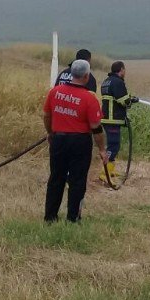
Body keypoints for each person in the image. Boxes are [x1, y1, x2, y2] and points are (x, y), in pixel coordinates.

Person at [42, 59, 108, 222]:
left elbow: (46, 116)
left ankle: (50, 217)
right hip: (80, 143)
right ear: (86, 76)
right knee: (77, 181)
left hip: (58, 140)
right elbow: (96, 128)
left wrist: (50, 133)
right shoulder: (89, 99)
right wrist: (102, 149)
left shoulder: (54, 92)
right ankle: (73, 218)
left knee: (56, 178)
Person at [100, 60, 134, 183]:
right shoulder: (118, 82)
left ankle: (111, 169)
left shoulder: (107, 81)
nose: (125, 72)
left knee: (113, 144)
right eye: (124, 69)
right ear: (121, 69)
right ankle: (105, 173)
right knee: (113, 146)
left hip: (107, 118)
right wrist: (131, 100)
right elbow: (123, 100)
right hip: (113, 119)